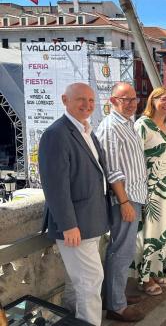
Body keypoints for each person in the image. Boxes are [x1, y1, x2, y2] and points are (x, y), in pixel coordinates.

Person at [39, 82, 109, 325]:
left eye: (91, 101)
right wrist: (68, 225)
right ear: (64, 100)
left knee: (79, 282)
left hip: (91, 219)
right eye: (80, 99)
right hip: (75, 224)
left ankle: (77, 321)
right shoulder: (56, 134)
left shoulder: (86, 130)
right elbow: (55, 186)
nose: (87, 105)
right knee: (90, 281)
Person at [95, 83, 146, 322]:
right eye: (125, 99)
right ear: (113, 100)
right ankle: (116, 306)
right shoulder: (110, 127)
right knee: (121, 251)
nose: (132, 103)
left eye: (134, 98)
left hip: (135, 195)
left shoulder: (128, 123)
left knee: (123, 250)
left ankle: (113, 295)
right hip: (125, 198)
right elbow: (113, 170)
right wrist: (124, 201)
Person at [134, 88, 166, 296]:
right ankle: (145, 278)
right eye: (163, 99)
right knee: (150, 233)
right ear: (152, 100)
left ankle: (157, 271)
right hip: (153, 189)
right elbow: (136, 161)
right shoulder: (142, 125)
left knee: (165, 232)